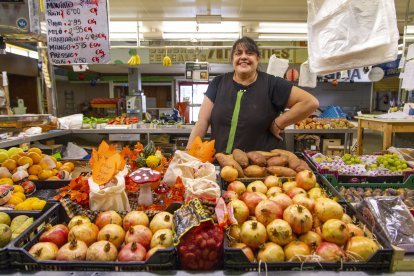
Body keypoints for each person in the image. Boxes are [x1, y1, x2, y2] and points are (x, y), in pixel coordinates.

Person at [187, 36, 319, 153]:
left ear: (258, 59)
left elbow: (310, 102)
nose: (243, 57)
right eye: (238, 53)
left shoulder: (271, 84)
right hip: (222, 164)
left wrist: (278, 123)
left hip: (261, 170)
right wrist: (188, 154)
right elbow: (202, 121)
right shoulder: (218, 83)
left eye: (249, 53)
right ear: (232, 59)